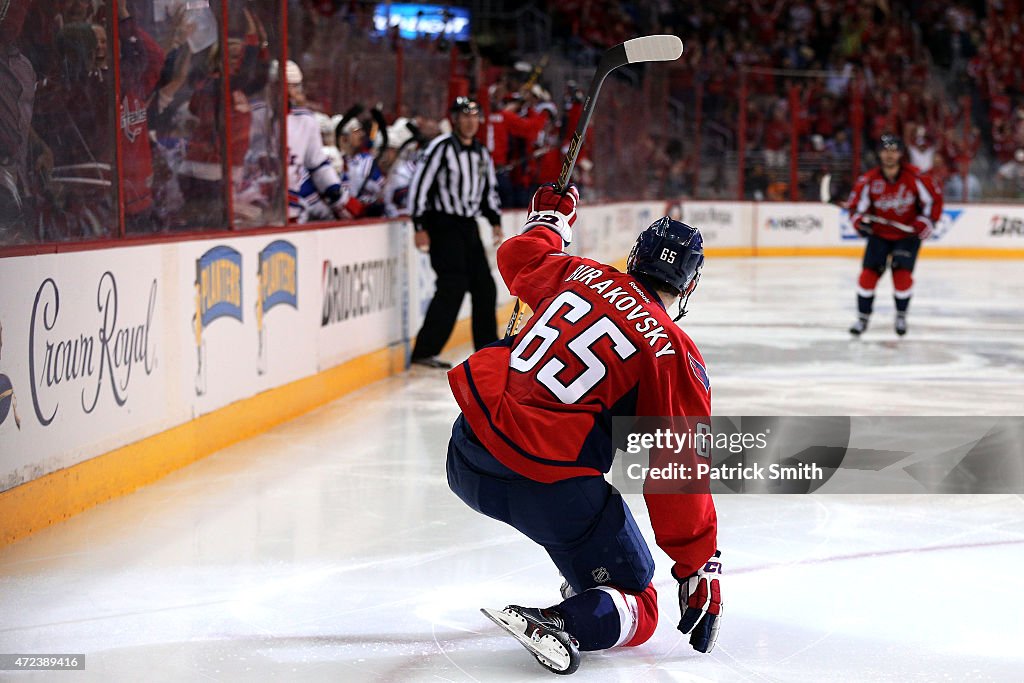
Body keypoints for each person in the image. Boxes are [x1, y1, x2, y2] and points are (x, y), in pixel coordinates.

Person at [445, 184, 722, 674]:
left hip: (467, 451)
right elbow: (676, 469)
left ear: (635, 257)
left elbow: (519, 256)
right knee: (639, 601)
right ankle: (564, 622)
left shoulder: (579, 273)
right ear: (688, 284)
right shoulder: (672, 351)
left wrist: (551, 219)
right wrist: (697, 565)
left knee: (590, 545)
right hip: (543, 483)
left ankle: (586, 580)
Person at [408, 96, 503, 368]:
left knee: (485, 287)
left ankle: (487, 351)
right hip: (443, 224)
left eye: (475, 116)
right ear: (455, 120)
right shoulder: (440, 148)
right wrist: (419, 225)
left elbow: (488, 191)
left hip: (468, 226)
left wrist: (494, 220)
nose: (471, 122)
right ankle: (425, 351)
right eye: (465, 116)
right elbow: (420, 186)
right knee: (452, 285)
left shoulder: (481, 153)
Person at [847, 133, 943, 337]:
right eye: (885, 151)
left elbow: (934, 201)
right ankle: (862, 318)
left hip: (907, 236)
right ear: (879, 154)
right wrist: (859, 223)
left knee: (902, 276)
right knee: (867, 277)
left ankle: (901, 315)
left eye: (893, 150)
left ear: (900, 153)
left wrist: (926, 221)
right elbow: (856, 208)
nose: (889, 155)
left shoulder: (916, 177)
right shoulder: (869, 180)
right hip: (879, 235)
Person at [284, 61, 347, 223]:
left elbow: (317, 164)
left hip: (291, 211)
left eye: (295, 87)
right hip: (256, 208)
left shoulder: (305, 120)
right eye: (287, 86)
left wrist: (337, 193)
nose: (292, 93)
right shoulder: (257, 115)